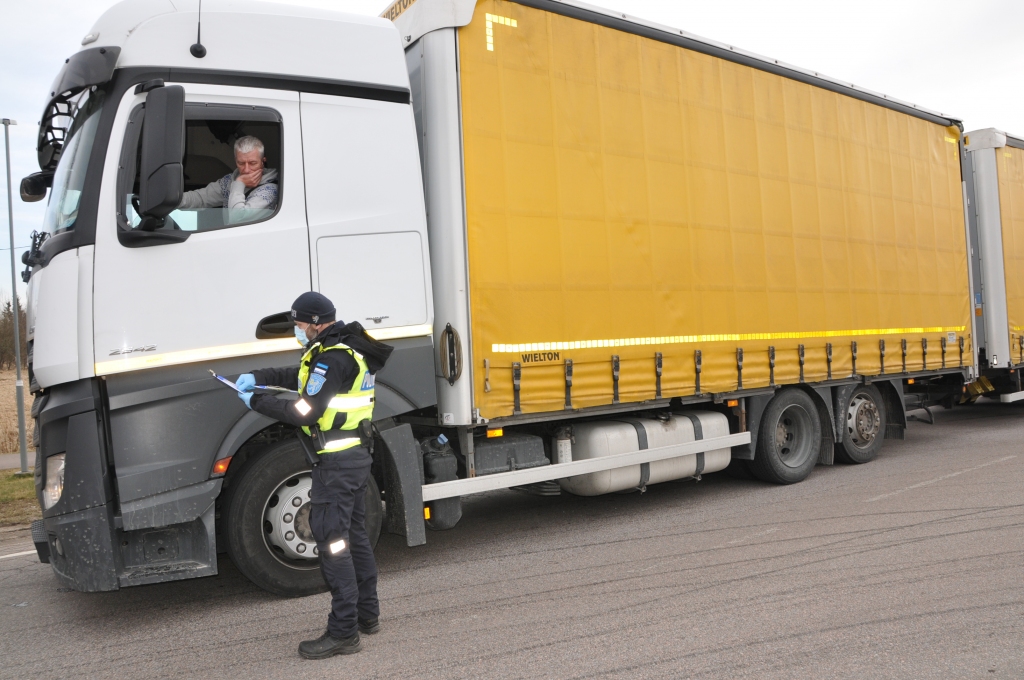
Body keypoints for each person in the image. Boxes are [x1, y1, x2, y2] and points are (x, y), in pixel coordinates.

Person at [235, 292, 392, 660]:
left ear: (316, 323)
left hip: (336, 465)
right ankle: (367, 615)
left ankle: (343, 633)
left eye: (300, 324)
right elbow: (299, 375)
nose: (298, 330)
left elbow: (306, 409)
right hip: (352, 459)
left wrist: (257, 401)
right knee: (354, 537)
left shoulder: (333, 358)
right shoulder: (340, 349)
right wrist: (258, 378)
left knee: (333, 544)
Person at [178, 135, 279, 218]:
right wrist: (171, 201)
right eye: (241, 163)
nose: (246, 169)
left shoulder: (271, 189)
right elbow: (201, 198)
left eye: (253, 163)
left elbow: (237, 219)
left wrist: (239, 183)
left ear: (263, 161)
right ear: (235, 161)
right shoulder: (229, 181)